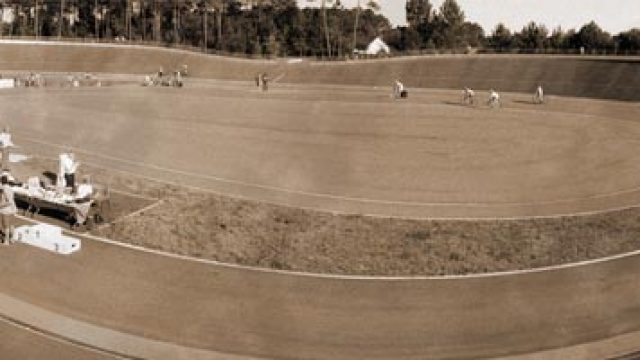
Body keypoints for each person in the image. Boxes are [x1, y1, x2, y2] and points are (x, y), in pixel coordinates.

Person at [0, 175, 16, 244]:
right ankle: (12, 239)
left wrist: (0, 206)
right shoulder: (10, 188)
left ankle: (6, 240)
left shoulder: (3, 189)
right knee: (11, 224)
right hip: (13, 209)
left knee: (6, 226)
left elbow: (8, 201)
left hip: (6, 210)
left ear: (1, 181)